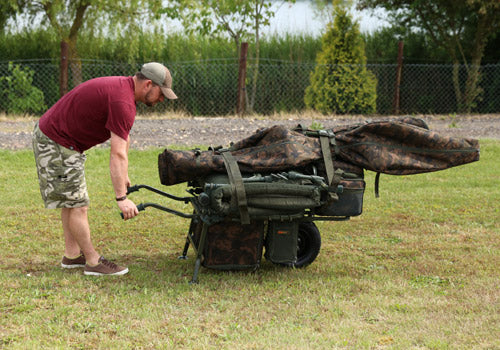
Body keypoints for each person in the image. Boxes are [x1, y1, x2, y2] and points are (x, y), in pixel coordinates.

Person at [32, 62, 177, 276]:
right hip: (56, 141)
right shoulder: (122, 101)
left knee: (71, 201)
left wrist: (124, 173)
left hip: (60, 139)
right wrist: (121, 198)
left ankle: (72, 256)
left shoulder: (125, 92)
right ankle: (92, 261)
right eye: (161, 93)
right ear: (148, 84)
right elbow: (116, 153)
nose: (162, 99)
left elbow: (124, 138)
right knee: (78, 204)